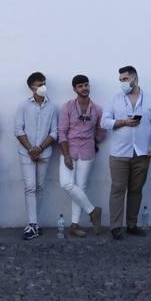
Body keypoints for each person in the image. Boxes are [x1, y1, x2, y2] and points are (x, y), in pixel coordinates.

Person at [101, 66, 151, 239]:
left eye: (125, 79)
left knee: (136, 189)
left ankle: (132, 224)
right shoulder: (115, 99)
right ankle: (115, 227)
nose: (123, 83)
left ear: (135, 79)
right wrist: (122, 122)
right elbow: (104, 122)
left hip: (143, 153)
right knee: (117, 189)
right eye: (120, 80)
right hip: (119, 153)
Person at [13, 72, 59, 240]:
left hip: (44, 152)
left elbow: (55, 131)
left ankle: (35, 223)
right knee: (30, 187)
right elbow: (18, 130)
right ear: (31, 87)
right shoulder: (23, 106)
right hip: (26, 153)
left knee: (39, 187)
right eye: (39, 84)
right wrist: (31, 149)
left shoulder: (52, 106)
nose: (42, 87)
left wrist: (39, 148)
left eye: (44, 83)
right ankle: (32, 224)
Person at [57, 75, 104, 237]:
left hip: (87, 150)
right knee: (66, 184)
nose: (84, 88)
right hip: (69, 149)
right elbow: (61, 132)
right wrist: (66, 154)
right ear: (74, 89)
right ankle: (93, 210)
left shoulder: (97, 109)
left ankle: (75, 225)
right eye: (80, 86)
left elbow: (101, 129)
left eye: (86, 85)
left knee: (81, 187)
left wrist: (95, 141)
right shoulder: (68, 107)